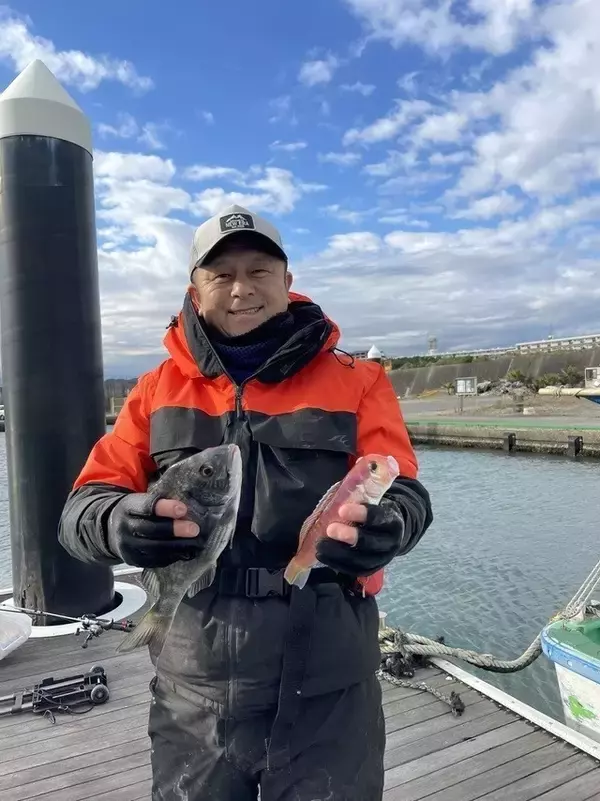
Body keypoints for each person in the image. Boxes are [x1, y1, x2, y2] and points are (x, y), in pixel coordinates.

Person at [58, 204, 433, 801]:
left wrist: (392, 525)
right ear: (196, 289)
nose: (242, 288)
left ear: (288, 282)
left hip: (331, 684)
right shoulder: (154, 391)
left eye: (260, 270)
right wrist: (117, 523)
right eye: (221, 274)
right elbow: (82, 507)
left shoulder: (360, 380)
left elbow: (403, 487)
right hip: (195, 686)